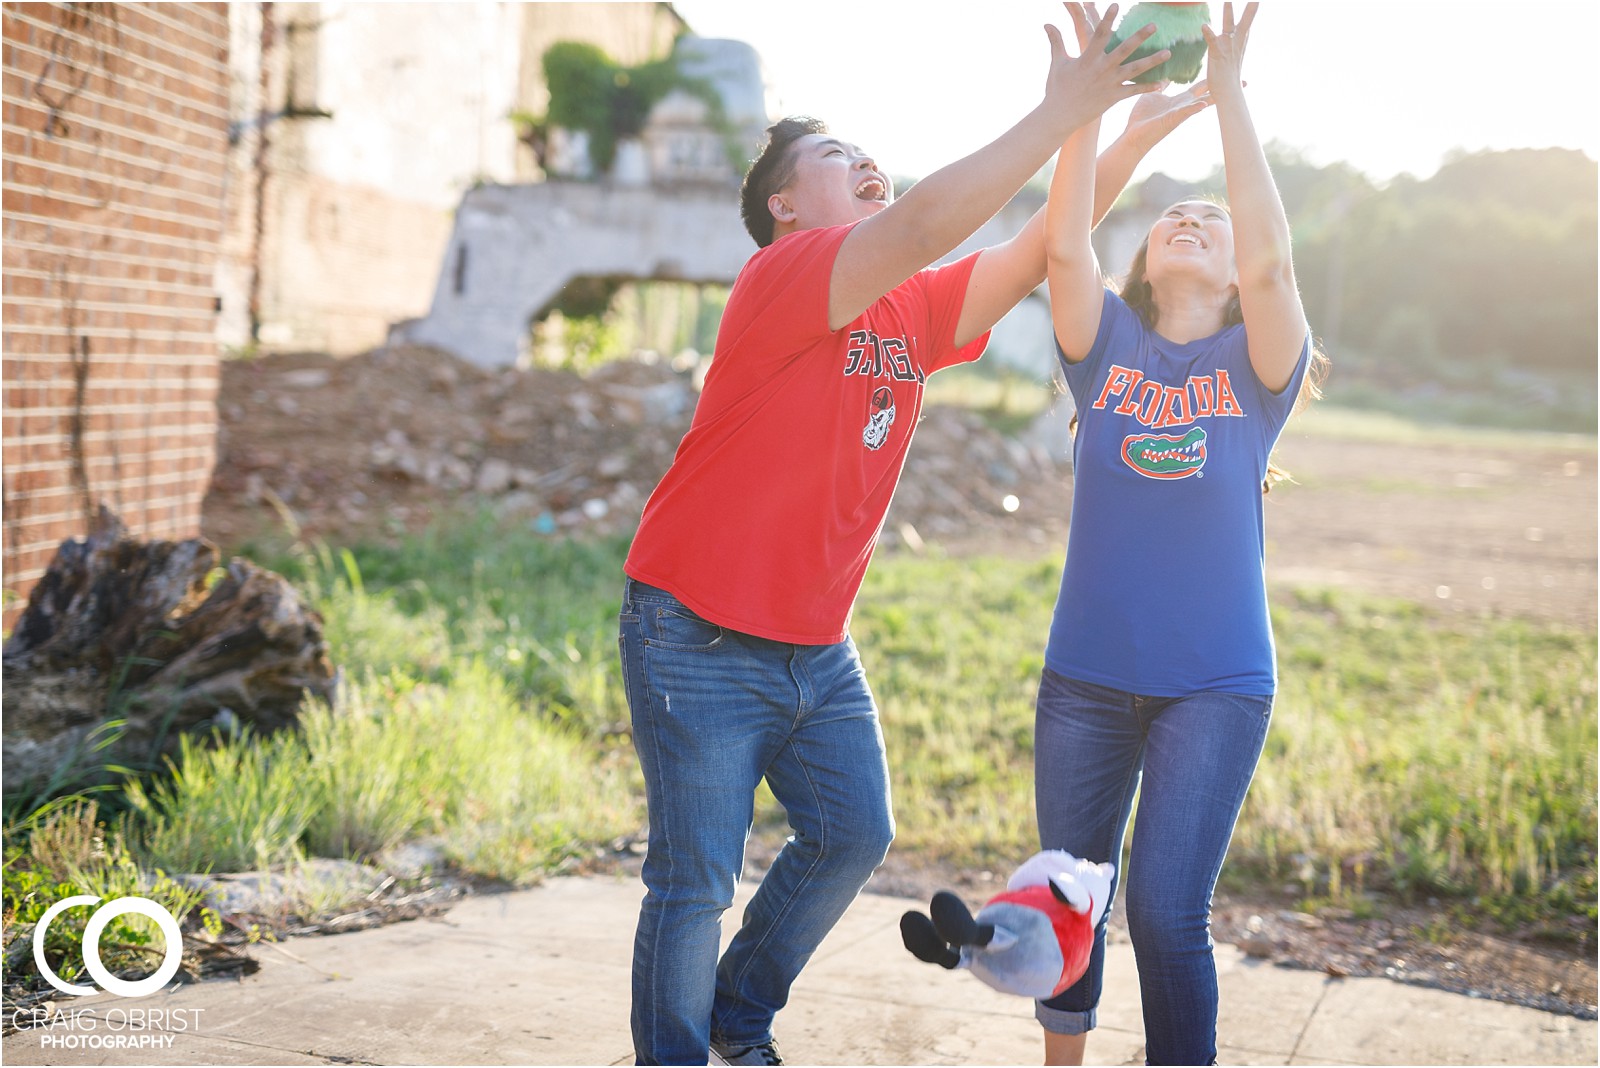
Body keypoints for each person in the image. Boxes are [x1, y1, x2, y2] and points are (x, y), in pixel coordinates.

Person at [615, 6, 1221, 1064]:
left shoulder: (907, 308)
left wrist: (1116, 127)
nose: (867, 162)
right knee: (694, 880)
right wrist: (1056, 106)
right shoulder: (784, 277)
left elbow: (1042, 246)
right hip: (696, 634)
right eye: (835, 155)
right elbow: (927, 223)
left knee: (853, 833)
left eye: (864, 152)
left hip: (814, 647)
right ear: (783, 204)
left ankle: (736, 1015)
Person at [1031, 4, 1327, 1064]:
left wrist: (1229, 92)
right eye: (1171, 217)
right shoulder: (1100, 346)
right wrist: (1086, 106)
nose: (1190, 219)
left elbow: (1279, 267)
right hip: (1084, 680)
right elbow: (1061, 241)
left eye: (1213, 216)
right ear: (1146, 264)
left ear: (1241, 263)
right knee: (1070, 901)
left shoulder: (1255, 376)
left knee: (1163, 916)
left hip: (1215, 684)